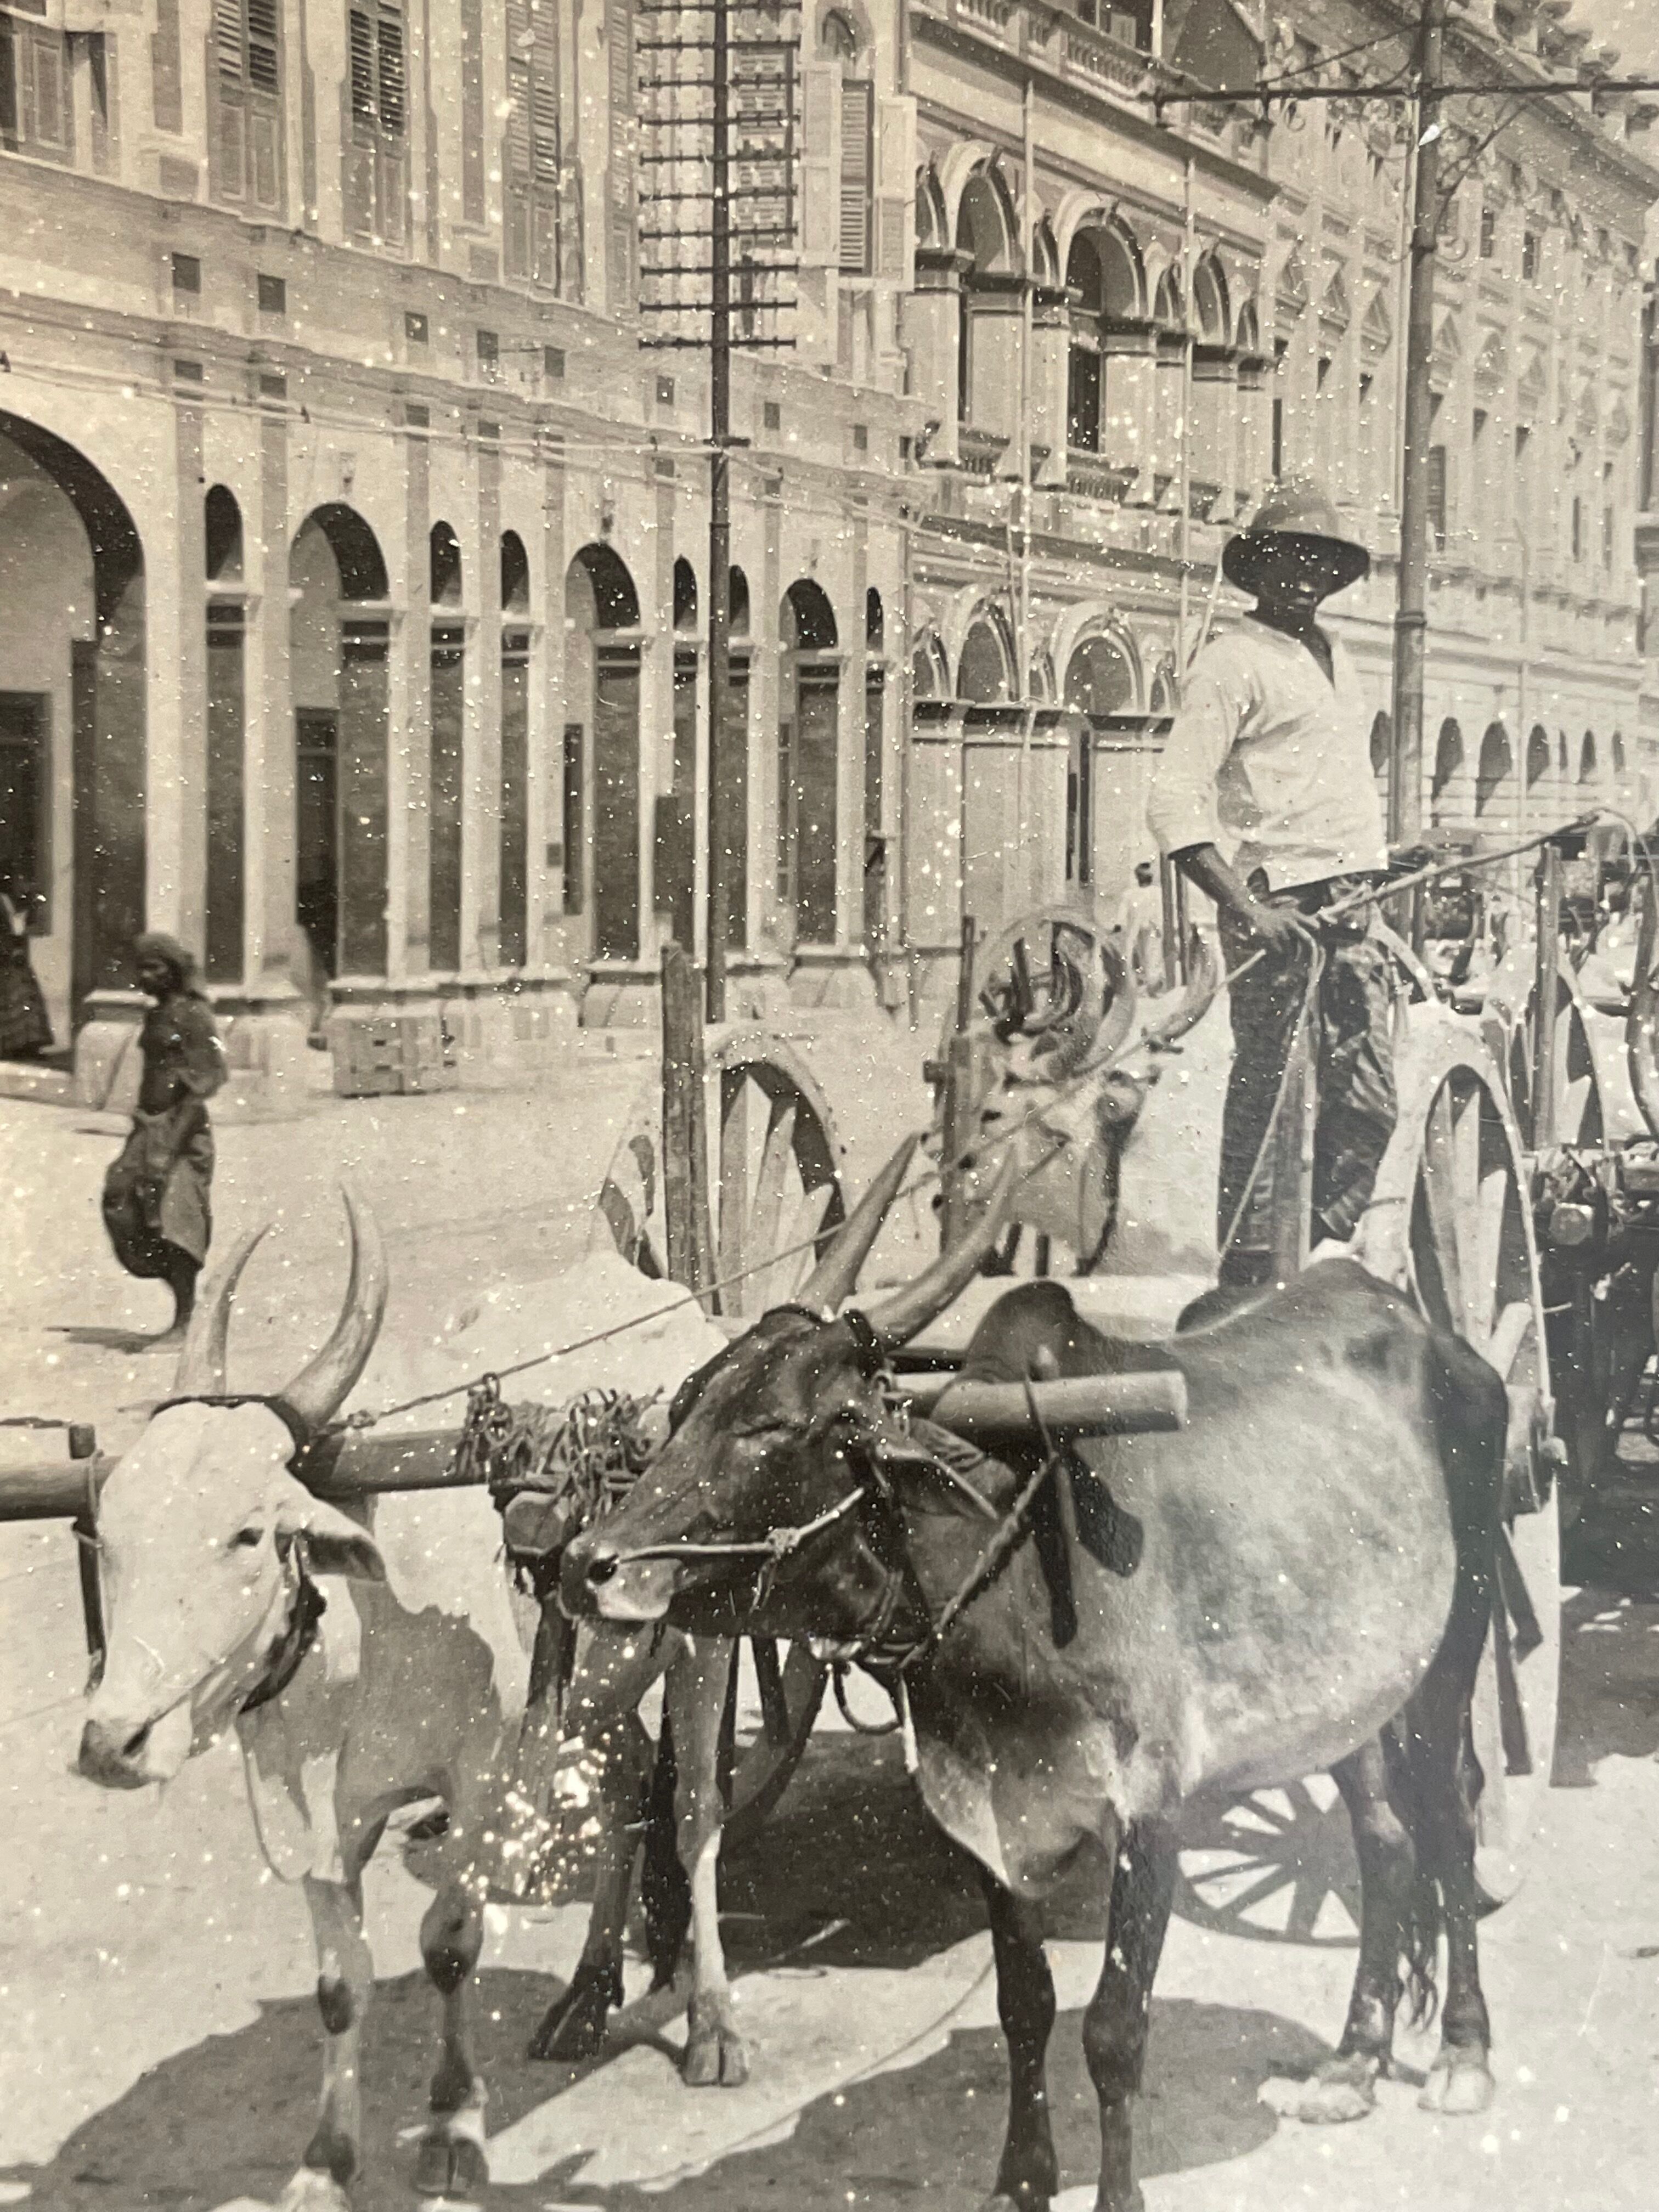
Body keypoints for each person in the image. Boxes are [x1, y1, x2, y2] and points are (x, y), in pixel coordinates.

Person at [1148, 475, 1396, 1288]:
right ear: (1257, 568)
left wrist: (1391, 856)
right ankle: (1250, 1276)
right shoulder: (1231, 662)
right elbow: (1175, 798)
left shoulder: (1338, 656)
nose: (1302, 574)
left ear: (1334, 574)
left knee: (1369, 1098)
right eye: (1286, 557)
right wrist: (1246, 908)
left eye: (1319, 561)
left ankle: (1317, 1251)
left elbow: (1333, 781)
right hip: (1277, 902)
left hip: (1351, 901)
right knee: (1269, 1098)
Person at [101, 933, 227, 1346]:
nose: (145, 976)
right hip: (149, 1126)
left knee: (177, 1218)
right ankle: (179, 1298)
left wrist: (169, 1145)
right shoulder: (157, 1015)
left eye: (154, 968)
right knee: (122, 1200)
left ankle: (186, 1318)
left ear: (173, 971)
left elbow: (204, 1082)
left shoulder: (194, 1014)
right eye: (142, 968)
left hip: (183, 1130)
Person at [0, 871, 52, 1060]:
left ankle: (22, 1046)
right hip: (7, 956)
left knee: (20, 998)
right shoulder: (3, 901)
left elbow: (15, 929)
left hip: (7, 957)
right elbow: (16, 928)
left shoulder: (4, 900)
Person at [1115, 859, 1169, 995]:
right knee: (1133, 954)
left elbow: (1161, 911)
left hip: (1151, 927)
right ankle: (1132, 985)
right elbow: (1123, 910)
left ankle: (1153, 985)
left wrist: (1159, 926)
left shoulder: (1157, 892)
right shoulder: (1130, 894)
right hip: (1135, 928)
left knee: (1152, 955)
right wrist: (1119, 924)